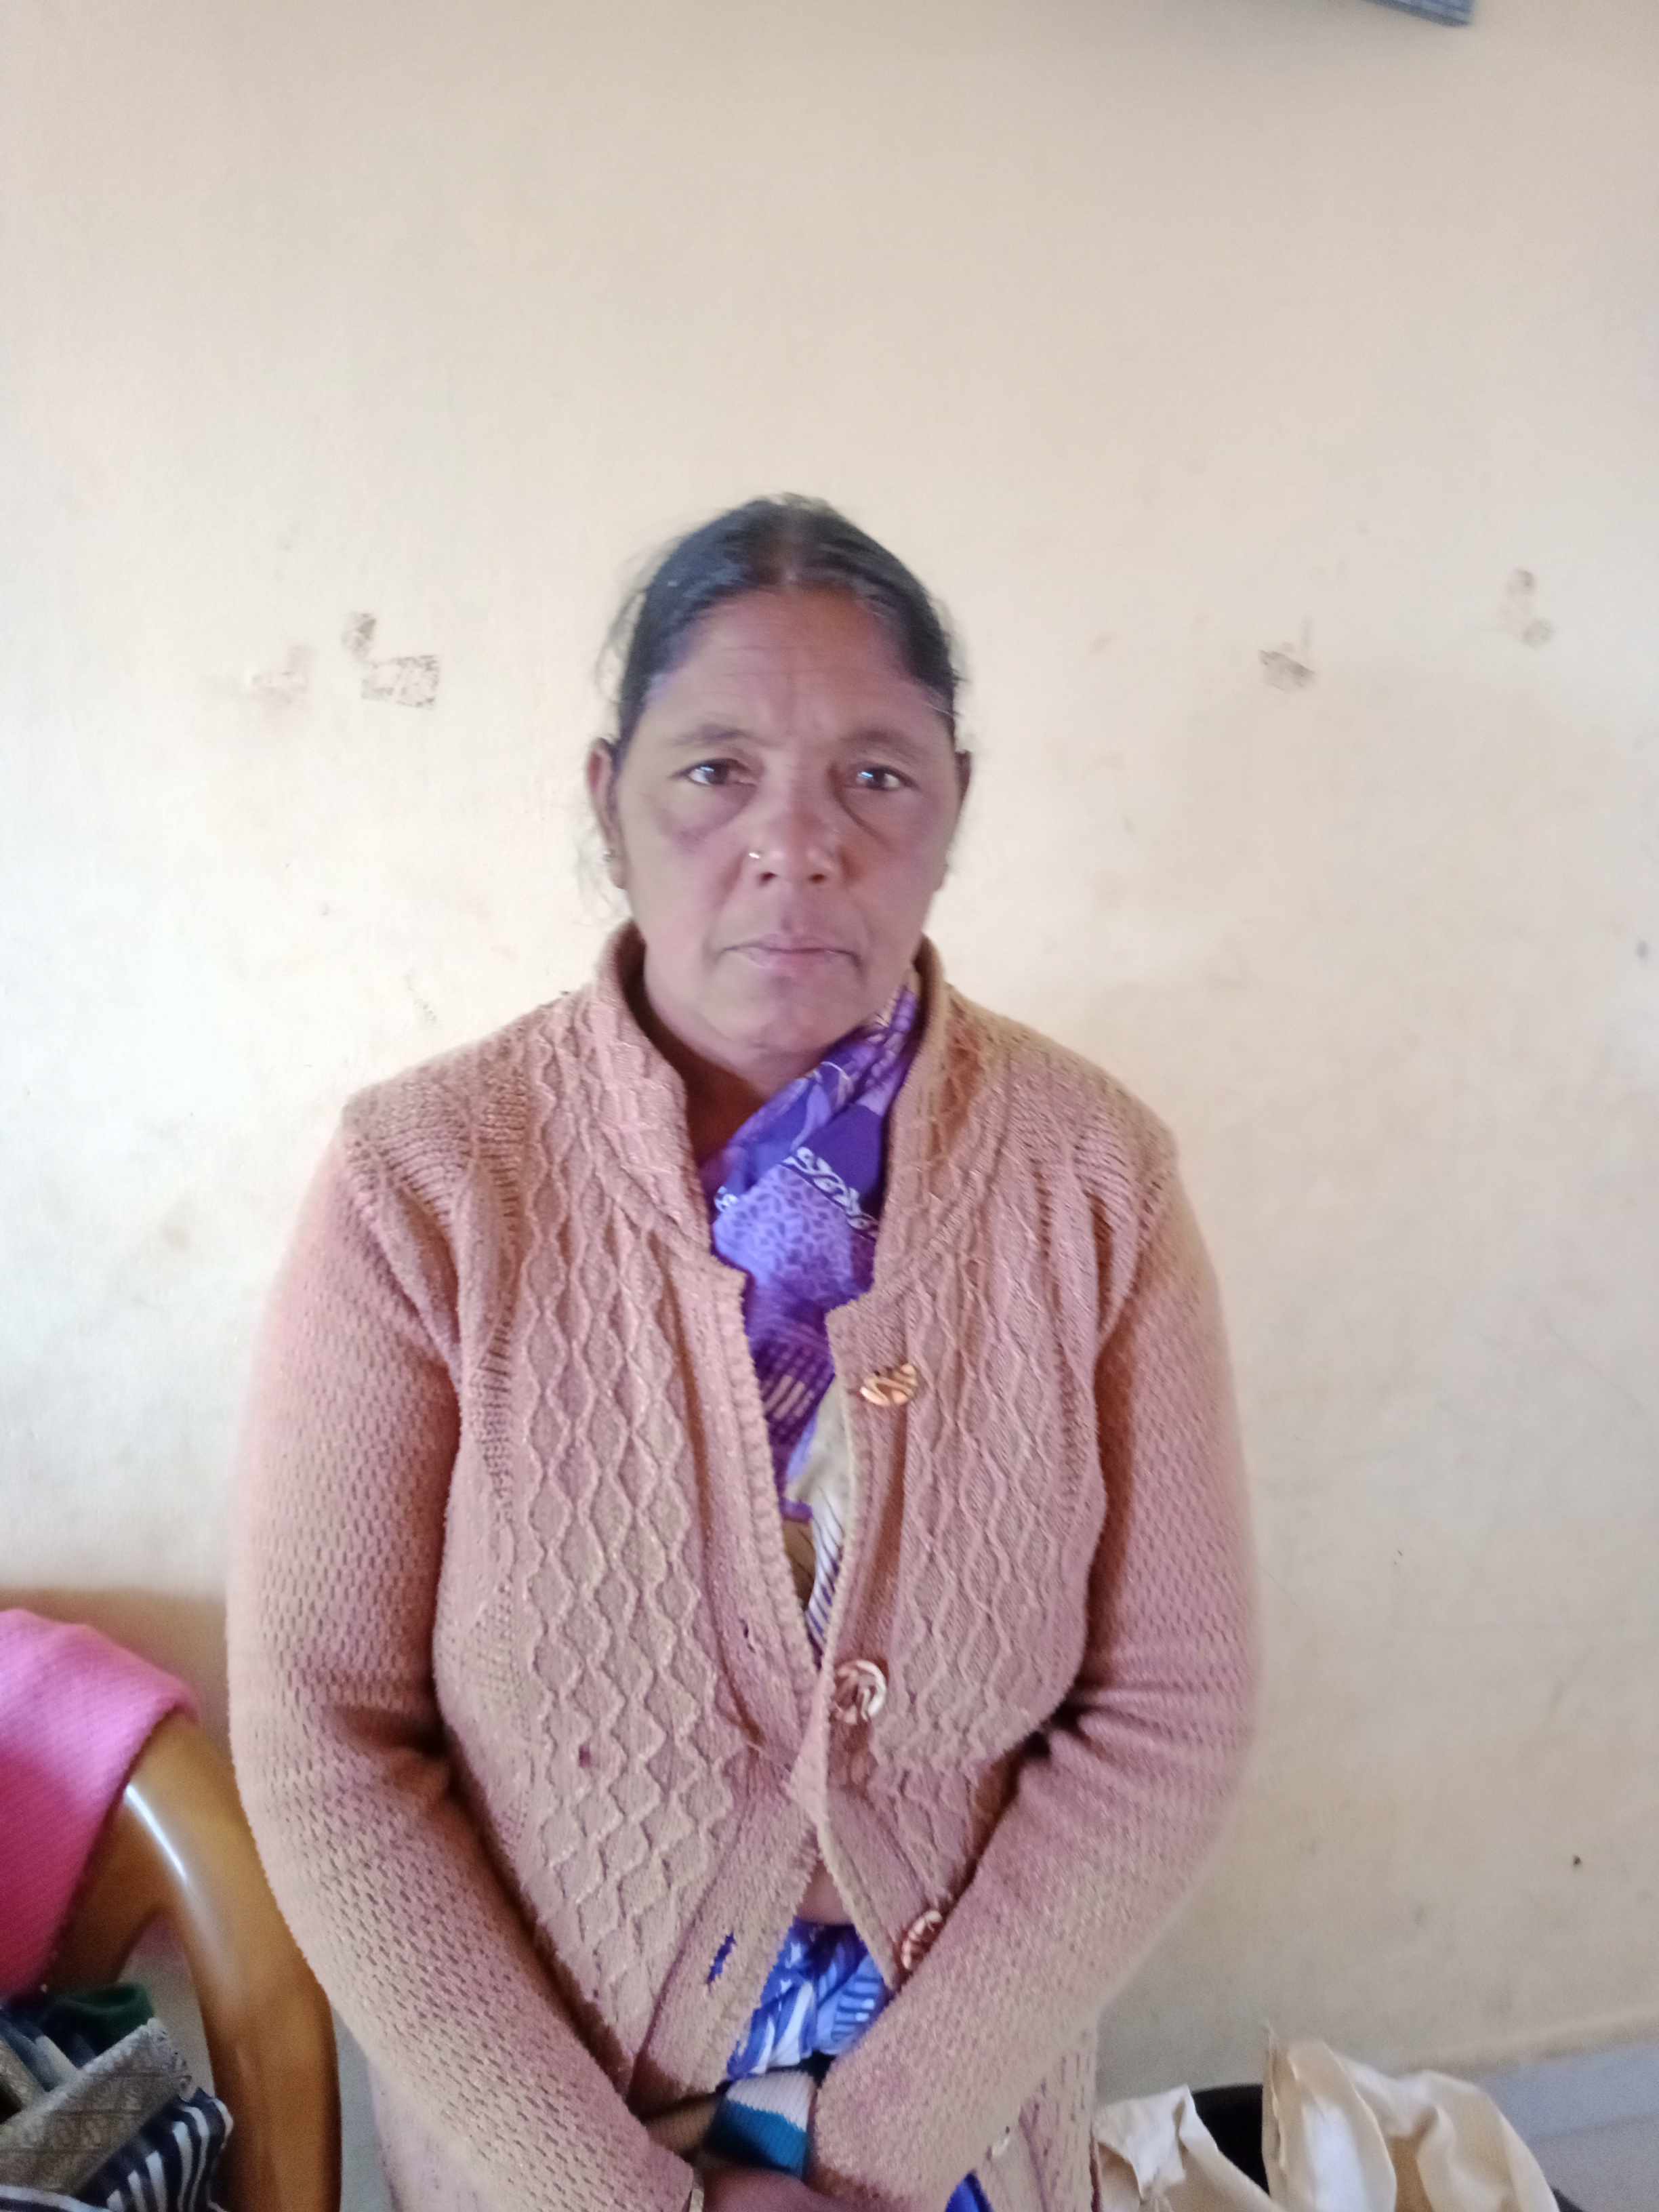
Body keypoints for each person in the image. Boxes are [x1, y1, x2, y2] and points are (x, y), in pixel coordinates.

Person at [228, 495, 1258, 2212]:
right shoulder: (428, 1186)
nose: (796, 844)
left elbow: (1172, 1713)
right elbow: (326, 1744)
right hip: (551, 2144)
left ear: (952, 810)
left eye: (875, 776)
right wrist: (612, 2192)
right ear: (608, 804)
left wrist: (871, 2157)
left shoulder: (1097, 1180)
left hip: (955, 2124)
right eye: (715, 772)